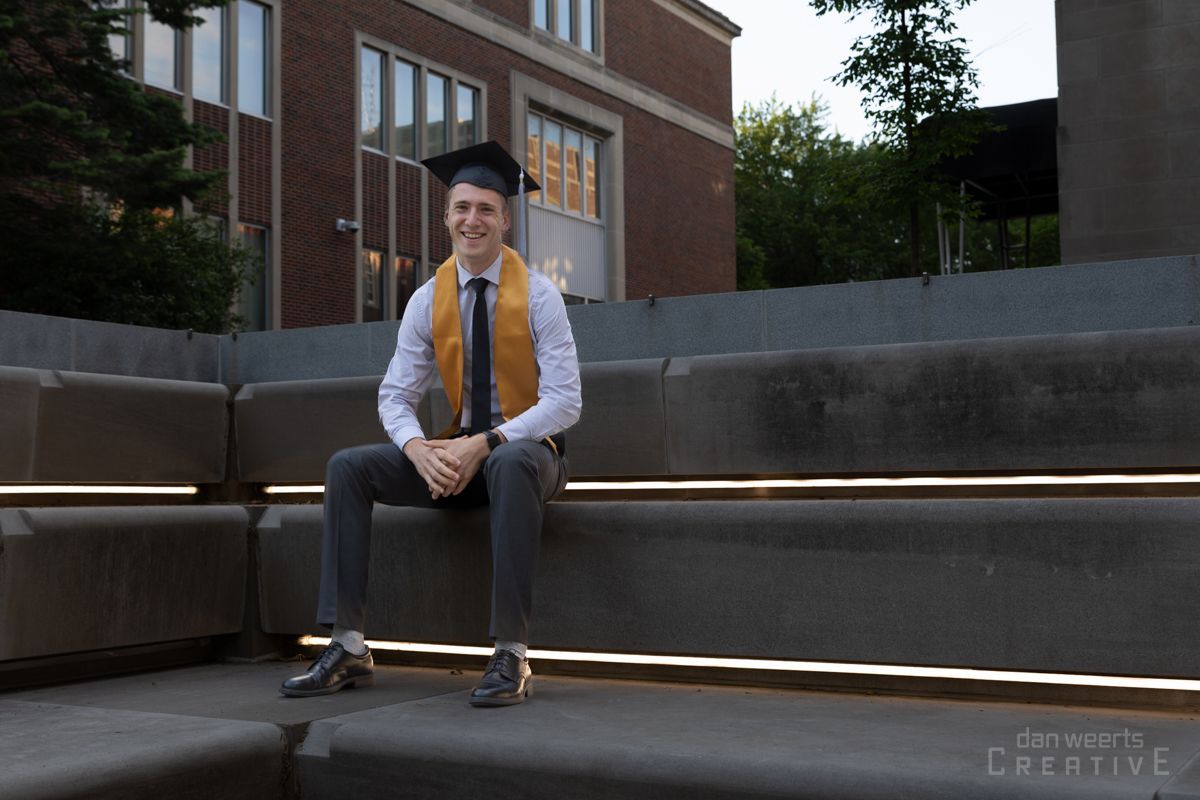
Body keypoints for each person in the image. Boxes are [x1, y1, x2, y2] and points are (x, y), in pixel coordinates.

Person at [280, 141, 582, 707]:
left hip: (531, 458)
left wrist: (486, 442)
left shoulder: (541, 297)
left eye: (486, 209)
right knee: (348, 467)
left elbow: (566, 402)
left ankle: (511, 653)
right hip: (453, 460)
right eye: (462, 208)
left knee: (513, 458)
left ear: (504, 220)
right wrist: (419, 448)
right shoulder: (427, 299)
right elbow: (395, 395)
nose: (474, 220)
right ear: (446, 217)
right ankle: (347, 644)